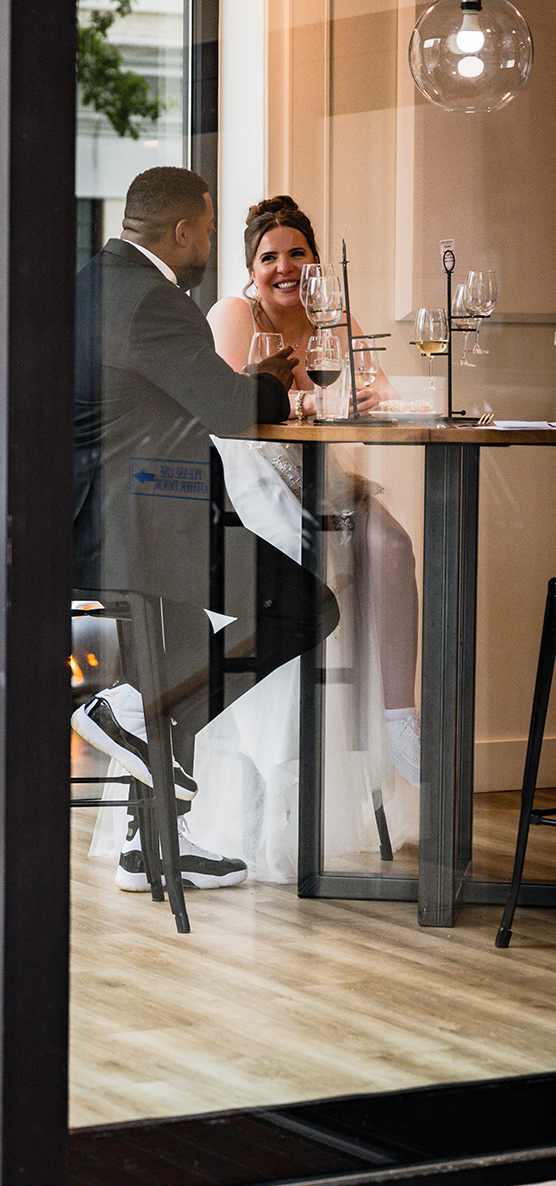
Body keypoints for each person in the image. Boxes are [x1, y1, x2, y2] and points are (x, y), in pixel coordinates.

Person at [73, 168, 339, 891]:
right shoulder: (152, 302)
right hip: (141, 527)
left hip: (105, 521)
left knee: (190, 654)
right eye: (210, 229)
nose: (209, 244)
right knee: (307, 607)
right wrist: (278, 378)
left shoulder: (91, 284)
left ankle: (152, 843)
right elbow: (227, 409)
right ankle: (124, 707)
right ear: (184, 229)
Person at [205, 195, 420, 789]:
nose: (284, 267)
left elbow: (384, 394)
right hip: (252, 481)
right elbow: (230, 409)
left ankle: (400, 716)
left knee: (394, 546)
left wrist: (377, 398)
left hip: (324, 477)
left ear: (316, 261)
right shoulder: (235, 316)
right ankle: (276, 764)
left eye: (297, 253)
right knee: (305, 565)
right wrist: (318, 401)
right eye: (269, 256)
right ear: (251, 269)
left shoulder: (338, 321)